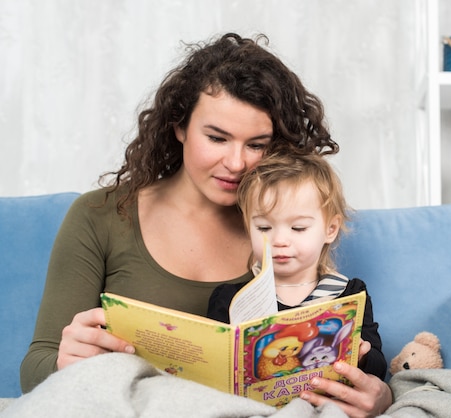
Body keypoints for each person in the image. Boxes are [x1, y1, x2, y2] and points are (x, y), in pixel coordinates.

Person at [20, 33, 392, 417]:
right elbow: (35, 371)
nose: (235, 163)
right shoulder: (100, 215)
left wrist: (381, 397)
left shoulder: (282, 227)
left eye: (257, 144)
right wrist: (66, 361)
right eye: (217, 137)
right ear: (179, 126)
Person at [207, 153, 387, 381]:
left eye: (298, 228)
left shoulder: (350, 294)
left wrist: (362, 356)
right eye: (264, 227)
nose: (279, 240)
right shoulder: (230, 298)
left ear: (330, 229)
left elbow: (379, 369)